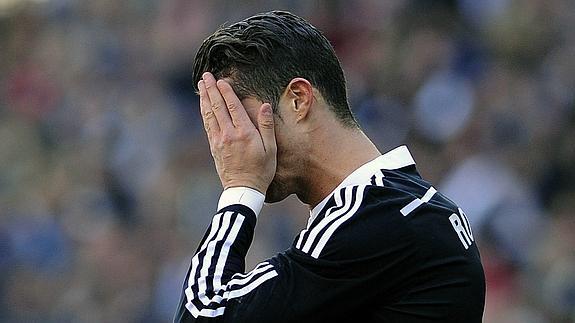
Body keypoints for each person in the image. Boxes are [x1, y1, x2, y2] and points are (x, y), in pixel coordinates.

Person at [174, 10, 485, 323]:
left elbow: (202, 314)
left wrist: (240, 187)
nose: (227, 140)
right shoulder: (413, 206)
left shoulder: (369, 221)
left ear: (299, 99)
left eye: (237, 113)